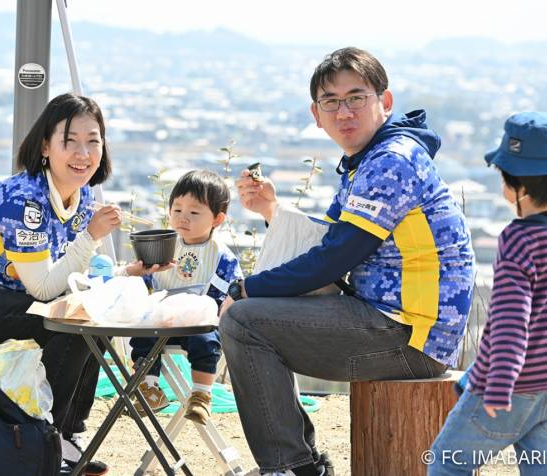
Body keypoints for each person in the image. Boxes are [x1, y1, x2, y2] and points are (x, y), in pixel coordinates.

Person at [218, 47, 475, 476]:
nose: (345, 111)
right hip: (402, 325)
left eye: (357, 97)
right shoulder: (371, 159)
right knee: (253, 317)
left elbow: (335, 257)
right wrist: (272, 213)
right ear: (316, 114)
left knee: (244, 322)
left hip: (410, 336)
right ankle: (300, 463)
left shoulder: (390, 162)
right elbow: (331, 241)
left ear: (384, 102)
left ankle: (290, 467)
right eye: (331, 102)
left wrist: (246, 289)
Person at [0, 93, 120, 475]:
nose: (83, 152)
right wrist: (91, 237)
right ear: (46, 147)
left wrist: (127, 275)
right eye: (70, 141)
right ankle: (42, 436)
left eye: (93, 140)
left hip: (5, 298)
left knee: (93, 318)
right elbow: (45, 290)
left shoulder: (79, 198)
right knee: (68, 322)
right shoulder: (24, 201)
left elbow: (69, 272)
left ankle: (65, 434)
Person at [429, 112, 547, 475]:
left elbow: (512, 323)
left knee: (447, 466)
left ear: (515, 187)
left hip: (511, 385)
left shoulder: (518, 239)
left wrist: (498, 385)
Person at [124, 170, 243, 425]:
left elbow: (227, 295)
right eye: (177, 210)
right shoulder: (164, 244)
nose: (183, 218)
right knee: (142, 335)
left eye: (194, 212)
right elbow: (147, 281)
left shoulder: (221, 255)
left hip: (199, 321)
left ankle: (201, 395)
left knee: (206, 341)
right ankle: (150, 388)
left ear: (217, 219)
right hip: (162, 317)